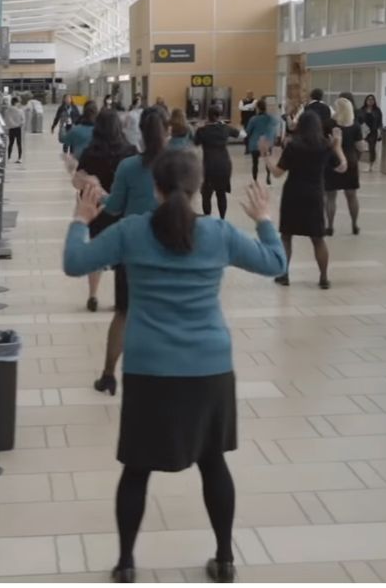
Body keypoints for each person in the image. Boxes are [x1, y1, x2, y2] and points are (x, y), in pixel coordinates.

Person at [64, 152, 287, 584]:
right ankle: (224, 558)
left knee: (137, 468)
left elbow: (75, 263)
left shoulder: (132, 231)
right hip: (210, 367)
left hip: (150, 369)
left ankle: (126, 563)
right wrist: (263, 218)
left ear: (156, 189)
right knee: (213, 463)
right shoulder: (218, 234)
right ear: (198, 188)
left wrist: (80, 218)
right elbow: (276, 263)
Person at [90, 108, 170, 397]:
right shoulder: (178, 163)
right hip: (171, 245)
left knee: (124, 312)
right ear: (167, 130)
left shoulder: (128, 166)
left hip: (133, 248)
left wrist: (99, 193)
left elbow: (114, 208)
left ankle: (109, 374)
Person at [263, 111, 348, 288]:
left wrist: (265, 155)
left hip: (293, 193)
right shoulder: (325, 146)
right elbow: (342, 168)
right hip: (315, 194)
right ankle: (323, 278)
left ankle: (284, 275)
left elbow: (277, 173)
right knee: (318, 238)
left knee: (286, 236)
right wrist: (338, 147)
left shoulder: (294, 146)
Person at [75, 109, 138, 313]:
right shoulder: (129, 151)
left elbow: (80, 180)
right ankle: (121, 298)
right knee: (123, 254)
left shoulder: (89, 152)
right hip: (122, 208)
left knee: (96, 251)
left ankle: (93, 295)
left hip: (96, 210)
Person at [325, 98, 364, 236]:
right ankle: (354, 225)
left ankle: (329, 226)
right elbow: (361, 146)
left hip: (332, 161)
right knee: (352, 196)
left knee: (330, 197)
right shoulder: (355, 125)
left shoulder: (329, 124)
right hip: (351, 161)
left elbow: (325, 143)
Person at [194, 106, 240, 218]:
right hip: (224, 164)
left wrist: (198, 128)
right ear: (219, 115)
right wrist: (223, 124)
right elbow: (239, 133)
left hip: (210, 165)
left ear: (207, 116)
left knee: (206, 195)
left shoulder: (203, 130)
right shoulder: (225, 128)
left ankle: (208, 219)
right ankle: (222, 219)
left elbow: (195, 143)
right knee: (221, 193)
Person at [244, 99, 279, 185]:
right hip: (267, 143)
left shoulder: (253, 119)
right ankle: (268, 176)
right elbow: (277, 123)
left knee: (255, 163)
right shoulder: (271, 118)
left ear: (257, 108)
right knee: (267, 161)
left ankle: (255, 180)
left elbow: (248, 131)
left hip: (255, 144)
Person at [359, 95, 383, 172]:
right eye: (369, 99)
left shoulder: (377, 110)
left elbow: (380, 122)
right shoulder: (362, 110)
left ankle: (370, 165)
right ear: (366, 100)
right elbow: (358, 120)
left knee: (372, 148)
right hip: (363, 132)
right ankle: (362, 163)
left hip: (373, 131)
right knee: (362, 148)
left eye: (372, 99)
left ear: (374, 101)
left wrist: (380, 131)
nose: (370, 101)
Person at [1, 97, 25, 163]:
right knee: (19, 143)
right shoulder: (20, 111)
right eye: (18, 102)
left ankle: (9, 158)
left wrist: (8, 127)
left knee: (11, 143)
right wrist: (19, 124)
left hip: (11, 129)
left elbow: (6, 120)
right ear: (16, 102)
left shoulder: (7, 111)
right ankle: (19, 158)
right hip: (18, 129)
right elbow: (23, 120)